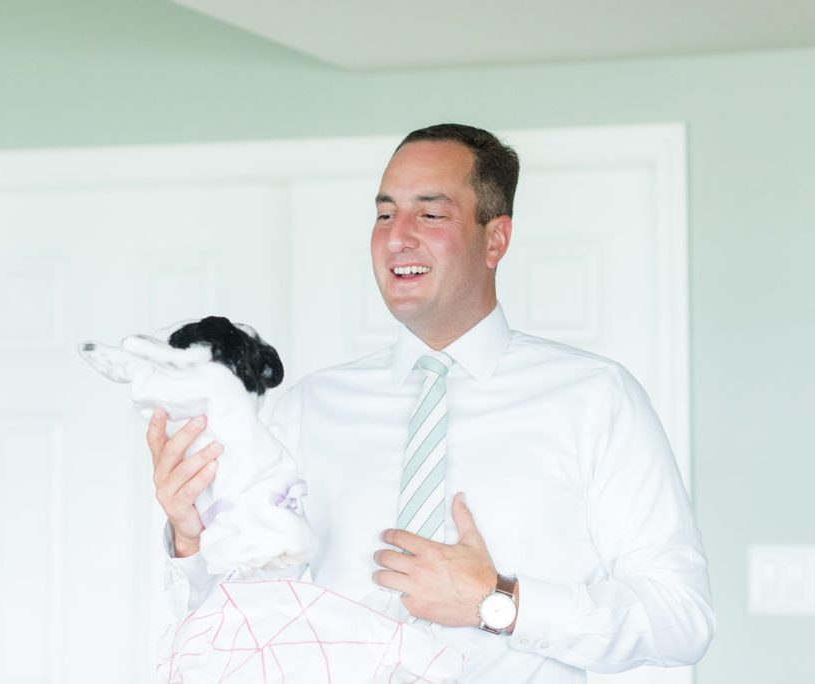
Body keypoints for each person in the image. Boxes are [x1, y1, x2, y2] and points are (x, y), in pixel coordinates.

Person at [148, 123, 715, 682]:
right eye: (385, 214)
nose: (398, 237)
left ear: (495, 239)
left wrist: (498, 602)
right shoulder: (309, 407)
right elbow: (244, 621)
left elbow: (681, 619)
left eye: (431, 214)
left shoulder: (596, 399)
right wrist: (192, 539)